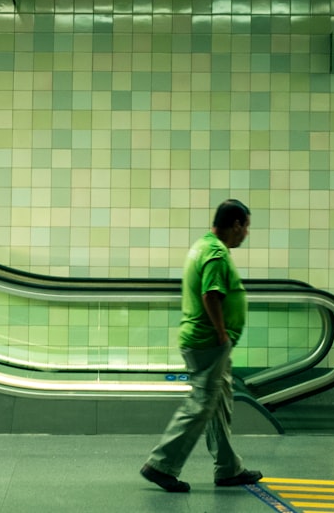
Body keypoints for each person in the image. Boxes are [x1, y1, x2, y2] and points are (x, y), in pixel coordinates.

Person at [140, 199, 262, 493]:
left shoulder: (202, 245)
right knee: (202, 403)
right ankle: (161, 464)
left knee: (218, 402)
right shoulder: (216, 253)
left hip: (205, 341)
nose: (246, 233)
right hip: (208, 342)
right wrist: (221, 333)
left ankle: (228, 468)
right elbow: (211, 294)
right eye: (246, 227)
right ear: (235, 225)